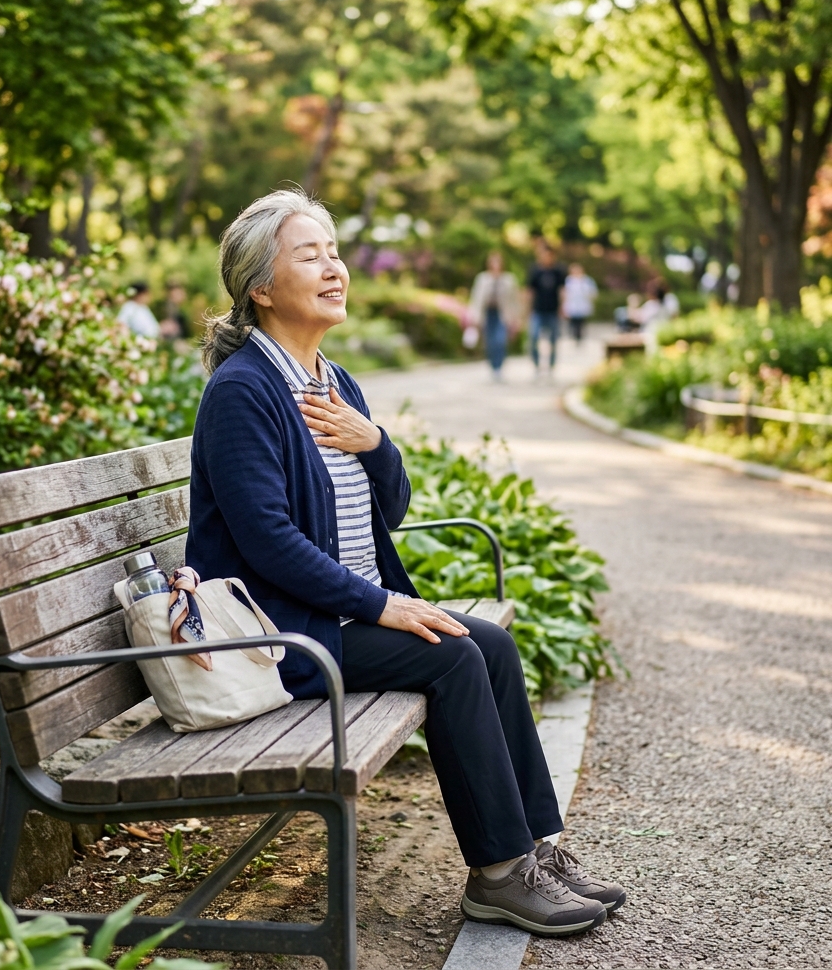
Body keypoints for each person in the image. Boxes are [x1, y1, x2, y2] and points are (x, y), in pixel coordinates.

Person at [188, 190, 625, 937]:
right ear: (261, 288)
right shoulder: (244, 393)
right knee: (453, 657)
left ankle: (538, 853)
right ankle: (496, 876)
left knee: (490, 642)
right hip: (281, 633)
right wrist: (380, 605)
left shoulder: (333, 381)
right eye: (310, 254)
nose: (334, 268)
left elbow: (389, 508)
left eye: (334, 251)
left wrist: (375, 442)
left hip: (335, 614)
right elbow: (266, 540)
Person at [467, 252, 521, 381]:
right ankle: (493, 367)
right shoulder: (483, 278)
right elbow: (476, 299)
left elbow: (514, 300)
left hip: (502, 315)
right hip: (488, 314)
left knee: (500, 341)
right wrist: (473, 317)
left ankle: (499, 367)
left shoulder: (509, 279)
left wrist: (516, 318)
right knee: (490, 343)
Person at [526, 244, 566, 374]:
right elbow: (530, 291)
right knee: (533, 338)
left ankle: (551, 366)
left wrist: (562, 307)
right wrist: (527, 309)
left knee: (553, 340)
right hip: (538, 311)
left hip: (553, 311)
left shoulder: (558, 271)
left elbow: (562, 290)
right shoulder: (535, 270)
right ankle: (537, 365)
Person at [563, 263, 597, 343]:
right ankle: (574, 336)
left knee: (581, 322)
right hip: (572, 305)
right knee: (573, 322)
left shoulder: (587, 280)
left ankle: (580, 337)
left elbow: (593, 292)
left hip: (583, 305)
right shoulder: (568, 280)